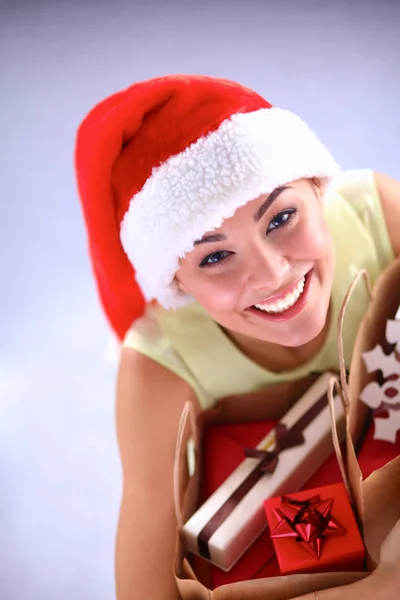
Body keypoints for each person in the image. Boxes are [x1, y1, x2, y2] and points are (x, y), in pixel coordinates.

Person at [75, 74, 400, 600]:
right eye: (216, 256)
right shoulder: (161, 365)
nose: (271, 274)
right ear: (176, 281)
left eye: (283, 217)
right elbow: (145, 587)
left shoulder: (378, 218)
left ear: (318, 185)